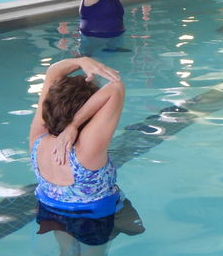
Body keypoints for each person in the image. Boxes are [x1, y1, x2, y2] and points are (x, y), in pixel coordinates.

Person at [29, 57, 143, 252]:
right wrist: (74, 124)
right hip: (92, 218)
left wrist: (82, 61)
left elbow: (52, 73)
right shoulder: (87, 152)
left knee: (65, 251)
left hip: (50, 210)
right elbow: (116, 87)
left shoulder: (37, 139)